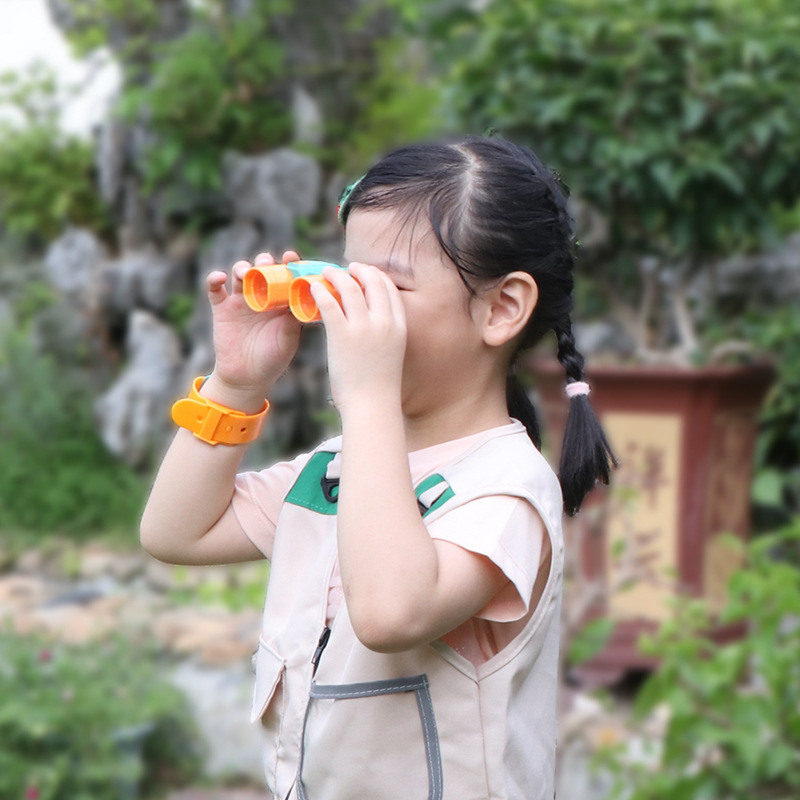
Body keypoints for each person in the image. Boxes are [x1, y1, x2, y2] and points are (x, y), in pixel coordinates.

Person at [140, 135, 616, 800]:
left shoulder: (508, 491)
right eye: (346, 277)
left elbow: (392, 612)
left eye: (385, 287)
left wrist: (365, 397)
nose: (345, 308)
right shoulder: (337, 470)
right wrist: (237, 384)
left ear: (502, 308)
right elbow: (175, 533)